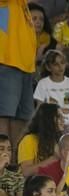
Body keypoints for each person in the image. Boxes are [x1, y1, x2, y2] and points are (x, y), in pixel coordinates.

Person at [0, 0, 37, 151]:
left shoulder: (20, 4)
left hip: (25, 66)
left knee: (22, 118)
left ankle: (14, 163)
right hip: (6, 61)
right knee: (4, 115)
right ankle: (2, 164)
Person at [34, 50, 69, 138]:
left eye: (62, 63)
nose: (60, 67)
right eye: (55, 64)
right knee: (67, 131)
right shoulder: (43, 83)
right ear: (48, 67)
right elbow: (40, 108)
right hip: (53, 123)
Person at [17, 103, 63, 177]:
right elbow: (26, 172)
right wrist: (54, 158)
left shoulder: (59, 139)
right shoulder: (29, 140)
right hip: (33, 184)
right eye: (58, 117)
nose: (63, 120)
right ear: (48, 119)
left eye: (63, 117)